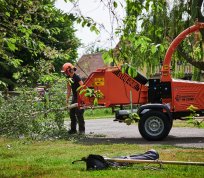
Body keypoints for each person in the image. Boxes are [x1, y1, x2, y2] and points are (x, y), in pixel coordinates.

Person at [61, 62, 85, 134]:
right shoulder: (68, 78)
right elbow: (69, 89)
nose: (65, 73)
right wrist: (67, 99)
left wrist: (82, 98)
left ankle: (82, 130)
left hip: (80, 97)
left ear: (69, 70)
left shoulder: (76, 77)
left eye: (65, 72)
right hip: (74, 97)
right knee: (72, 113)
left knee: (79, 113)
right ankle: (73, 130)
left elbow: (83, 86)